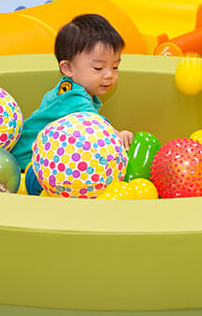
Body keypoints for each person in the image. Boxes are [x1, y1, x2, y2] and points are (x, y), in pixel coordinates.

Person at [12, 14, 134, 194]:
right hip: (26, 164)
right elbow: (96, 128)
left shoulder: (70, 87)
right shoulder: (73, 97)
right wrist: (119, 136)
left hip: (40, 158)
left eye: (115, 67)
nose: (109, 74)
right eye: (98, 68)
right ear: (68, 68)